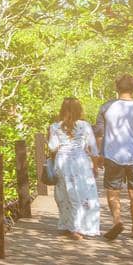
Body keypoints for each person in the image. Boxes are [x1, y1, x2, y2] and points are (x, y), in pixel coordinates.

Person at [95, 73, 133, 240]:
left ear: (117, 88)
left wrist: (99, 153)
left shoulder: (106, 107)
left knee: (112, 191)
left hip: (113, 155)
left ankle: (117, 222)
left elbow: (99, 134)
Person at [48, 97, 101, 239]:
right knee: (82, 194)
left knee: (65, 194)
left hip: (62, 161)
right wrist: (95, 166)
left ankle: (67, 225)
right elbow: (93, 148)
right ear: (79, 110)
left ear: (62, 109)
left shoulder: (55, 126)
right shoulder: (84, 125)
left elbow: (52, 147)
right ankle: (78, 228)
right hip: (80, 161)